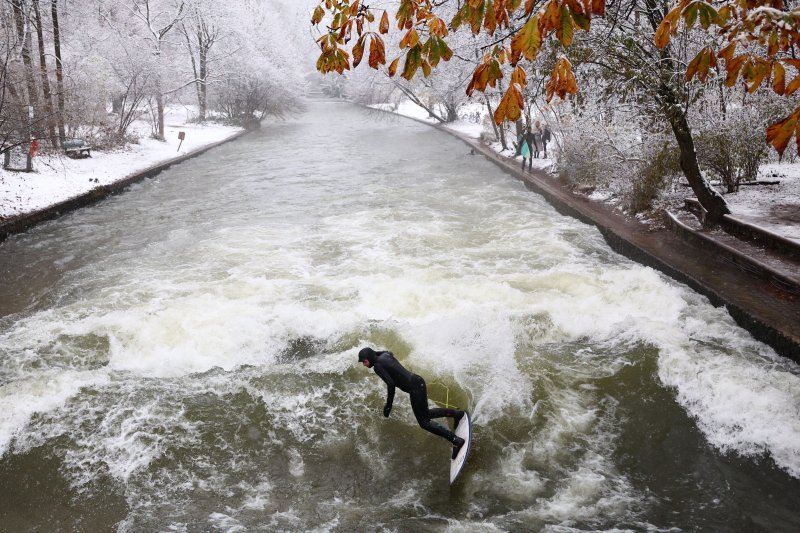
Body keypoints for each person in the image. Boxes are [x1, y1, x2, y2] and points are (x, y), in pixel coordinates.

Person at [358, 347, 466, 459]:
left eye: (365, 361)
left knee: (424, 422)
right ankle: (456, 414)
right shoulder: (385, 355)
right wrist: (374, 353)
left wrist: (388, 405)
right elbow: (388, 351)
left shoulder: (377, 367)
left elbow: (391, 384)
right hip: (418, 381)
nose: (364, 365)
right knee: (426, 414)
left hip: (415, 389)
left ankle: (456, 440)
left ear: (370, 358)